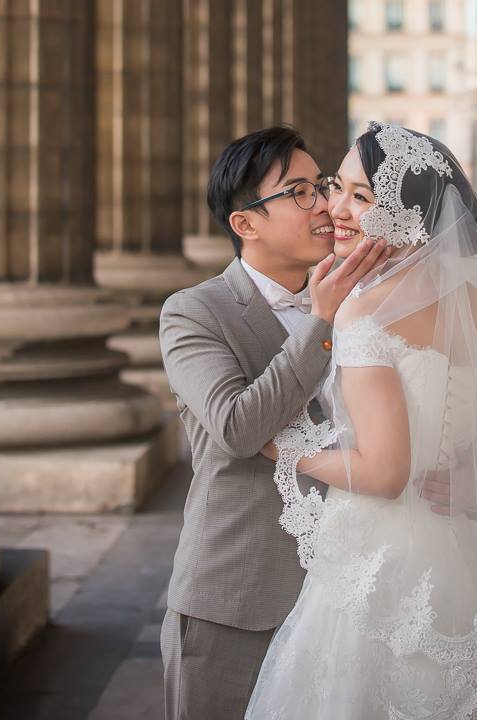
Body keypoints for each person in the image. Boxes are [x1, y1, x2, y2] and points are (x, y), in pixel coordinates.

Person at [246, 120, 477, 720]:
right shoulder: (471, 303)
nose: (335, 208)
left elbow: (383, 473)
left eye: (362, 196)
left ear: (405, 214)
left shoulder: (364, 314)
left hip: (387, 572)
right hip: (459, 561)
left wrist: (286, 448)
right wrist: (471, 472)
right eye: (336, 186)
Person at [158, 125, 392, 720]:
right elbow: (237, 428)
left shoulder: (366, 301)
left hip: (348, 597)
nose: (325, 206)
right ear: (246, 224)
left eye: (324, 186)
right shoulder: (194, 312)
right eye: (300, 193)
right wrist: (319, 321)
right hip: (238, 599)